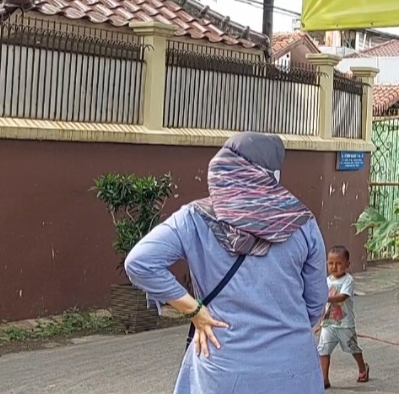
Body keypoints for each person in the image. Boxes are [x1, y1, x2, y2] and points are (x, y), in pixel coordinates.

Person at [124, 132, 328, 394]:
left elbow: (140, 263)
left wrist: (194, 311)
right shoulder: (303, 223)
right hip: (291, 369)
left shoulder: (193, 219)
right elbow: (315, 303)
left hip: (222, 366)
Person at [317, 245, 369, 388]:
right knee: (323, 350)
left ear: (347, 264)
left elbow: (341, 297)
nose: (334, 266)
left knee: (352, 348)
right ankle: (324, 379)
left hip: (345, 324)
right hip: (328, 324)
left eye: (339, 263)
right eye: (331, 263)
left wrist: (324, 298)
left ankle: (362, 368)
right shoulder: (326, 281)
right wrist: (321, 316)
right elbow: (324, 305)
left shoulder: (348, 280)